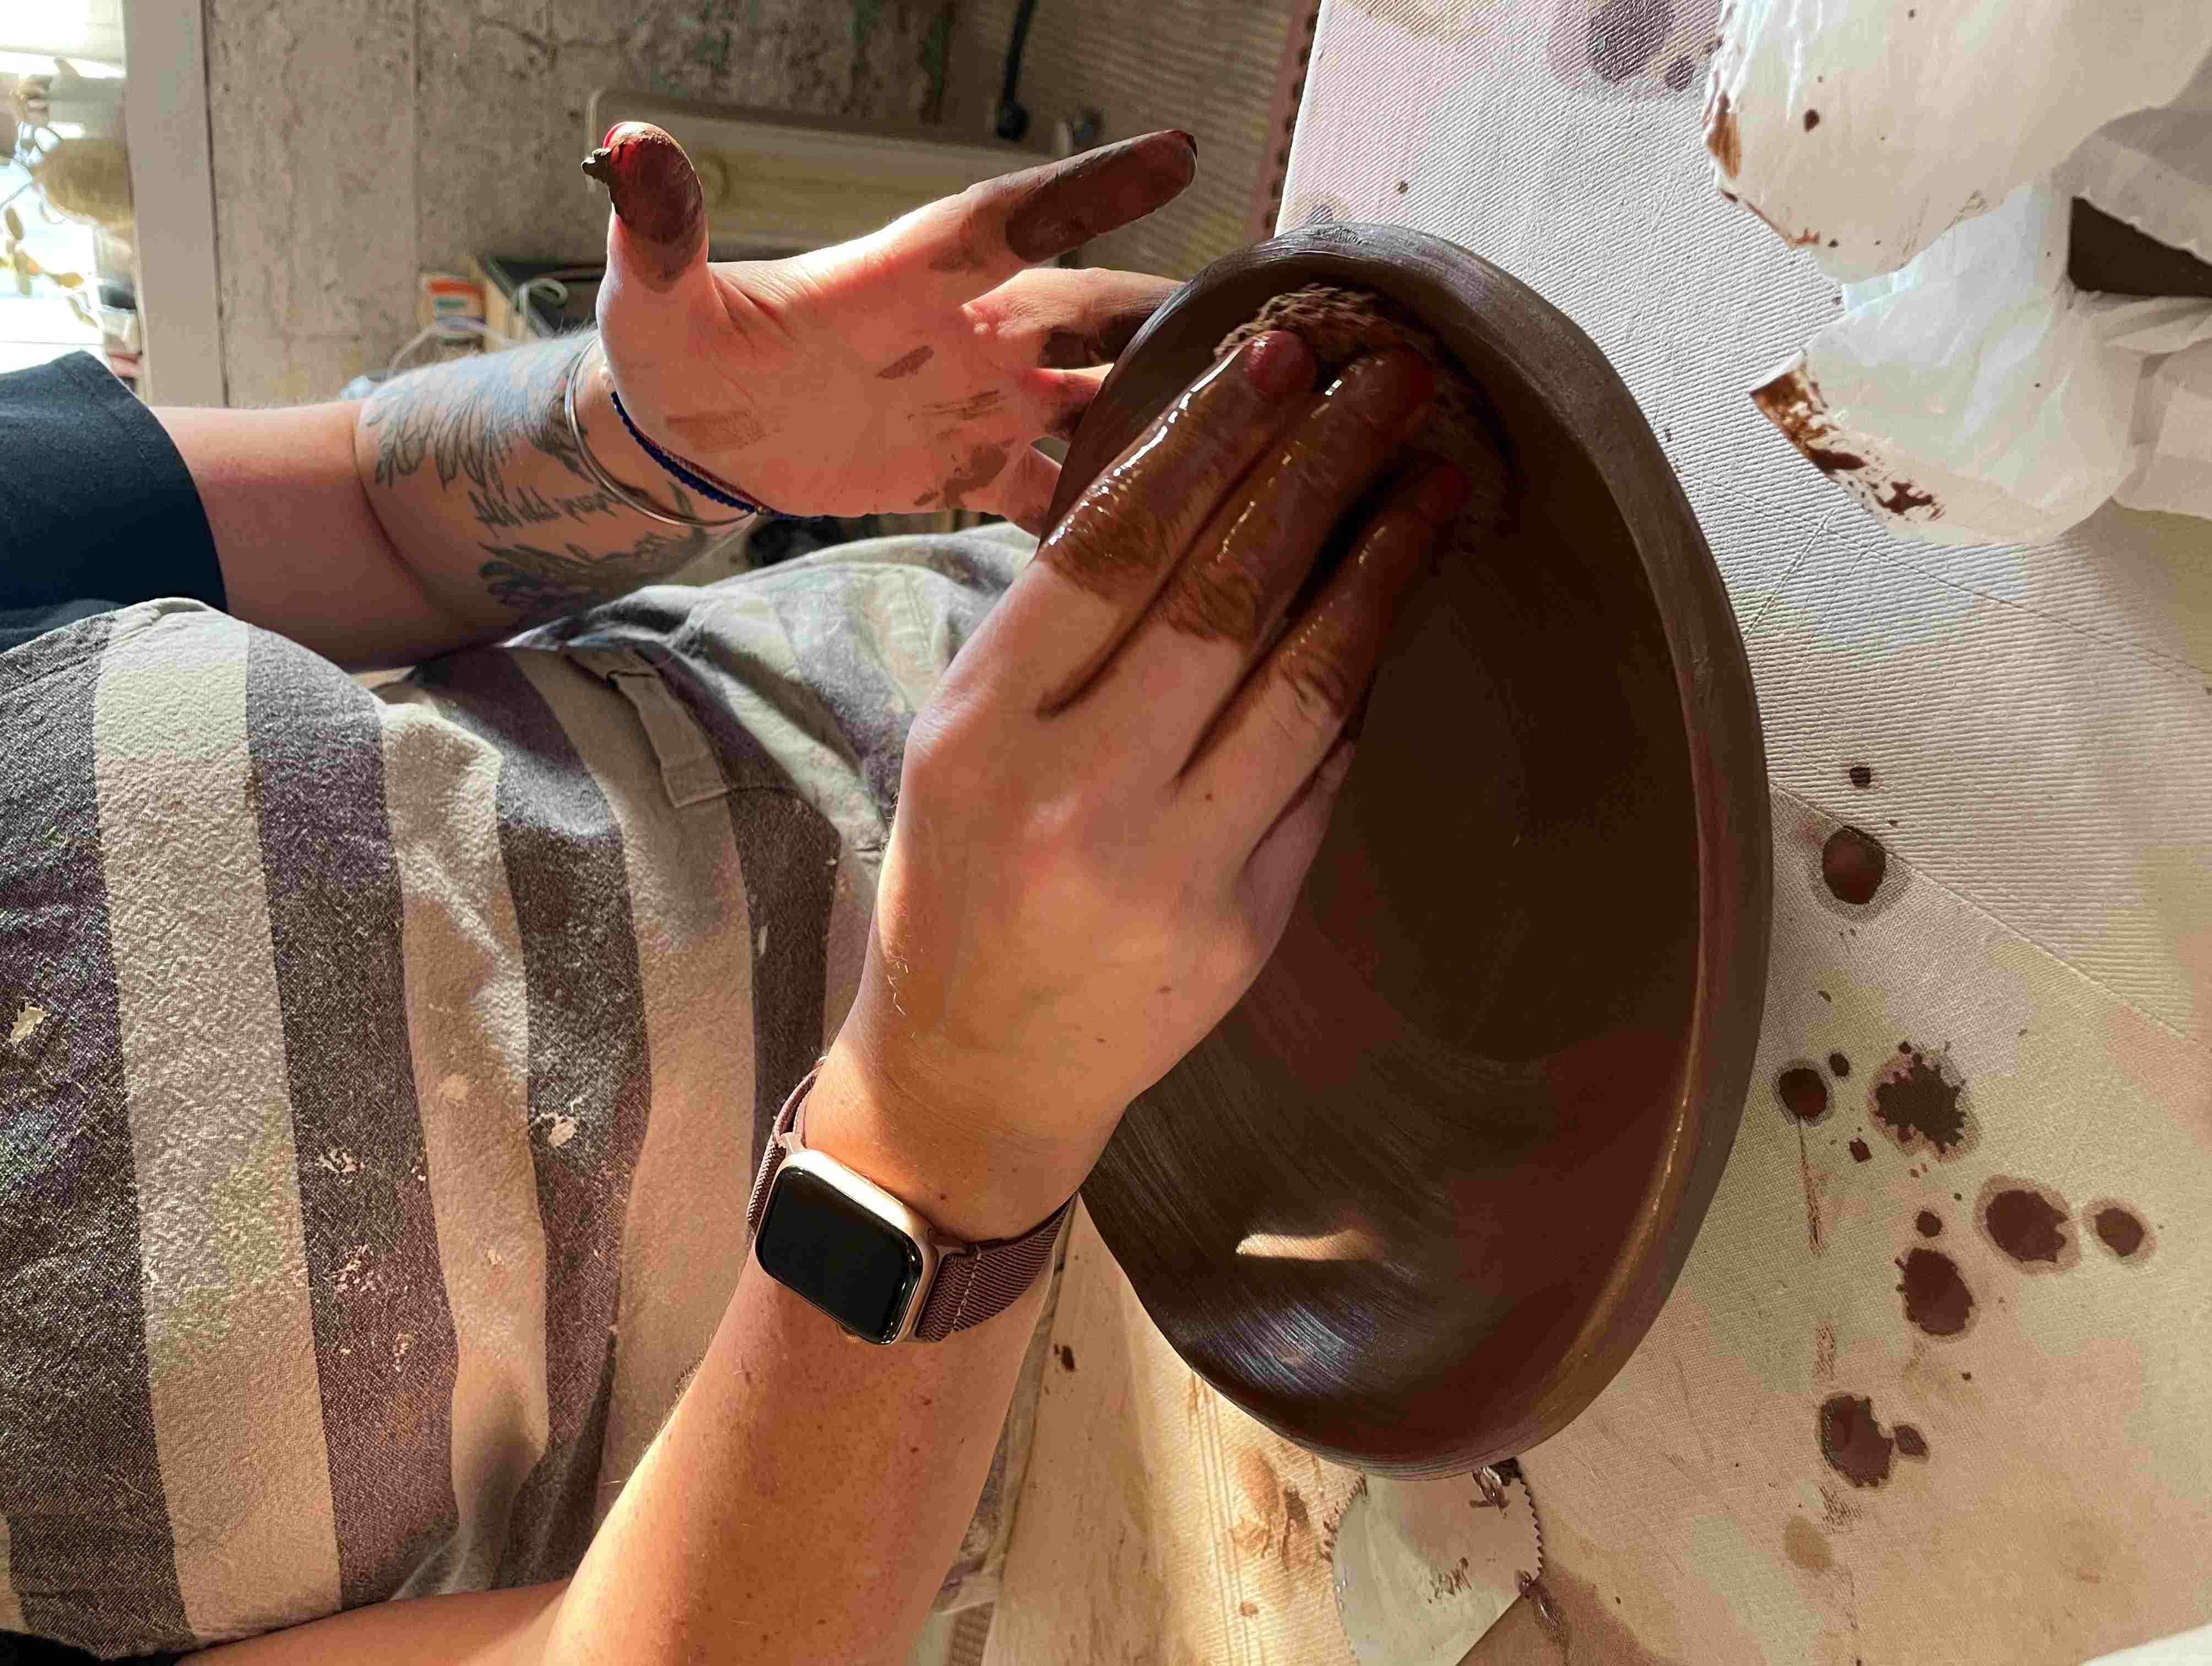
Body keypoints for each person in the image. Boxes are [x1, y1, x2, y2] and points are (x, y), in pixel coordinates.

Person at [0, 127, 1463, 1664]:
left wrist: (656, 442)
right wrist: (949, 1121)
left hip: (1126, 659)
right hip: (1212, 1390)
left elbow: (378, 508)